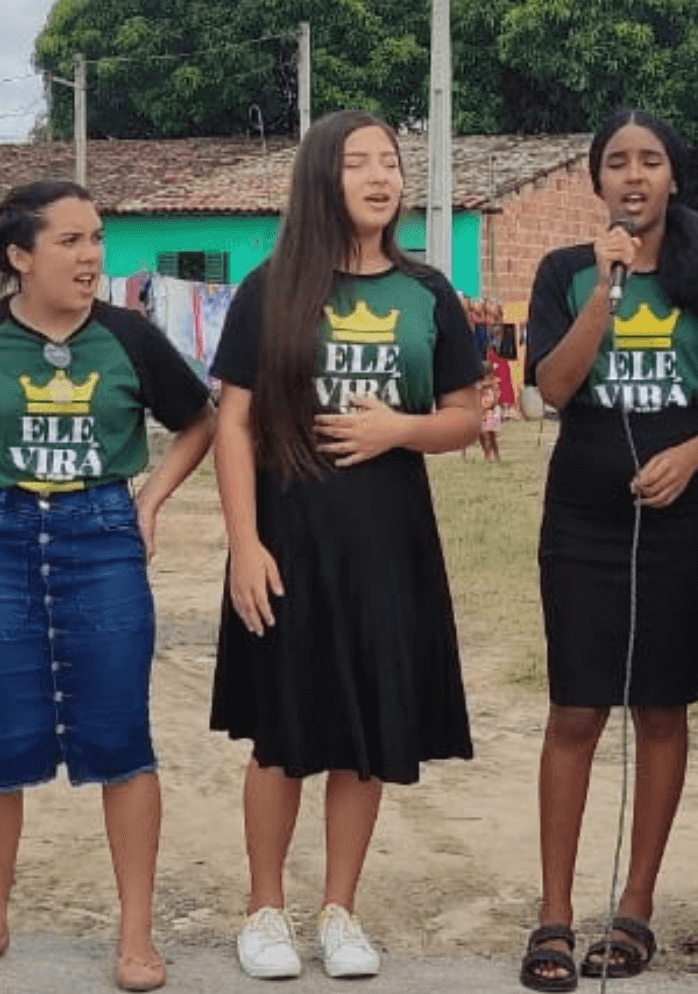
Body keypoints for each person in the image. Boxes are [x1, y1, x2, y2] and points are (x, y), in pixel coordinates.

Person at [0, 182, 215, 990]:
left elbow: (200, 419)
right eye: (71, 241)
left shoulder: (129, 337)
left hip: (102, 540)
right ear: (20, 256)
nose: (91, 257)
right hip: (4, 543)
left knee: (122, 737)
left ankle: (136, 935)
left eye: (97, 240)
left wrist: (148, 500)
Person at [210, 109, 484, 981]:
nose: (379, 175)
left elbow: (465, 418)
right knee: (281, 733)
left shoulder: (426, 291)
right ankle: (264, 911)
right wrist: (244, 544)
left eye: (391, 162)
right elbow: (233, 423)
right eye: (357, 161)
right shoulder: (271, 289)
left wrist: (398, 429)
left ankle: (340, 912)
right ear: (321, 178)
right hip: (290, 535)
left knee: (366, 729)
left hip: (388, 543)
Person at [519, 109, 698, 992]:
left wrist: (695, 454)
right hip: (581, 512)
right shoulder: (563, 272)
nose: (632, 175)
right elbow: (552, 385)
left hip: (680, 511)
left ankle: (636, 906)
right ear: (596, 182)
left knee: (662, 708)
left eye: (650, 160)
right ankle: (553, 911)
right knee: (576, 709)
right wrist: (601, 292)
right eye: (616, 162)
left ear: (672, 176)